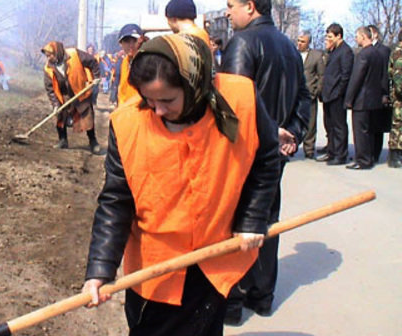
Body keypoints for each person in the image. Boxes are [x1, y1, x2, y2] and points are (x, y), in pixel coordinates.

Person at [82, 33, 280, 336]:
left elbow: (265, 158)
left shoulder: (241, 99)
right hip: (155, 270)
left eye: (167, 100)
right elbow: (116, 201)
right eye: (149, 100)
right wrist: (100, 269)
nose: (158, 110)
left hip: (213, 260)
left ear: (194, 84)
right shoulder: (127, 123)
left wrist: (252, 217)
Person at [221, 0, 310, 324]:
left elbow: (232, 105)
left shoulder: (242, 43)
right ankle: (262, 295)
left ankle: (233, 300)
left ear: (251, 5)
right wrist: (292, 135)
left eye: (231, 5)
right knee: (268, 219)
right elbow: (304, 97)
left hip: (246, 150)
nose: (228, 12)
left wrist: (274, 134)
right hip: (275, 151)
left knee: (237, 223)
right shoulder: (288, 45)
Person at [41, 41, 101, 155]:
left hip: (80, 90)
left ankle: (93, 142)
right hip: (63, 94)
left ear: (57, 52)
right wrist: (55, 104)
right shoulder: (48, 68)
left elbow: (92, 62)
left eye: (50, 55)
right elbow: (50, 89)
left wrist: (96, 76)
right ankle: (63, 140)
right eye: (47, 56)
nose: (48, 58)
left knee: (87, 116)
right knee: (60, 117)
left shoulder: (74, 54)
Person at [344, 27, 385, 170]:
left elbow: (356, 78)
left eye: (357, 36)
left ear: (363, 36)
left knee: (360, 132)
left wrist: (349, 99)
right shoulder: (377, 54)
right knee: (369, 131)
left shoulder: (363, 55)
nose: (356, 39)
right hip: (374, 99)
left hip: (361, 100)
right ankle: (370, 157)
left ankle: (362, 160)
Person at [317, 23, 354, 165]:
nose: (328, 39)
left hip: (337, 96)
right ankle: (331, 151)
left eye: (330, 36)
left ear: (339, 36)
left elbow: (345, 75)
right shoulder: (333, 51)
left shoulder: (346, 52)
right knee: (330, 125)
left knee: (339, 126)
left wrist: (338, 93)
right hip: (328, 94)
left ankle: (340, 154)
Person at [296, 31, 325, 159]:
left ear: (308, 43)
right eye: (298, 40)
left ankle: (309, 149)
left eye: (303, 41)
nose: (299, 44)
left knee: (310, 123)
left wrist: (316, 91)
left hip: (309, 94)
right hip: (294, 94)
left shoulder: (316, 56)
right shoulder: (293, 53)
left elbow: (321, 75)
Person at [367, 25, 392, 163]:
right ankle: (368, 152)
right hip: (368, 93)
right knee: (369, 124)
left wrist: (385, 93)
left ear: (375, 34)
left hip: (379, 92)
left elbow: (386, 73)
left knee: (378, 126)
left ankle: (375, 154)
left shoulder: (384, 50)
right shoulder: (366, 49)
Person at [117, 23, 146, 106]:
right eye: (127, 41)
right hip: (126, 111)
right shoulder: (125, 62)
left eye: (134, 41)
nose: (131, 45)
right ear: (121, 43)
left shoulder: (146, 61)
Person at [387, 30, 402, 168]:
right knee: (398, 126)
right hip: (399, 98)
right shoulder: (399, 51)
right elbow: (398, 78)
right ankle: (395, 155)